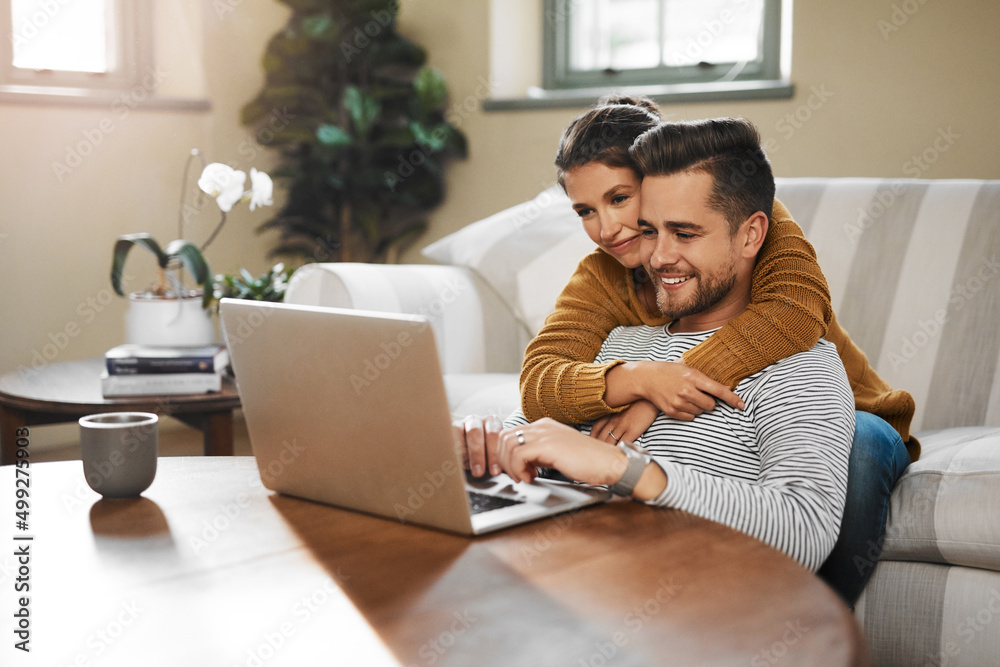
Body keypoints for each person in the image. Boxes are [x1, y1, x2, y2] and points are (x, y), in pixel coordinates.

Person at [460, 98, 913, 605]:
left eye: (619, 200)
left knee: (863, 447)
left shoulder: (773, 260)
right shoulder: (605, 285)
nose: (609, 230)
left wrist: (650, 408)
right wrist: (493, 440)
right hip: (580, 592)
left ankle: (816, 625)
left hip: (860, 411)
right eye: (586, 211)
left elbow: (792, 315)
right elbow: (544, 385)